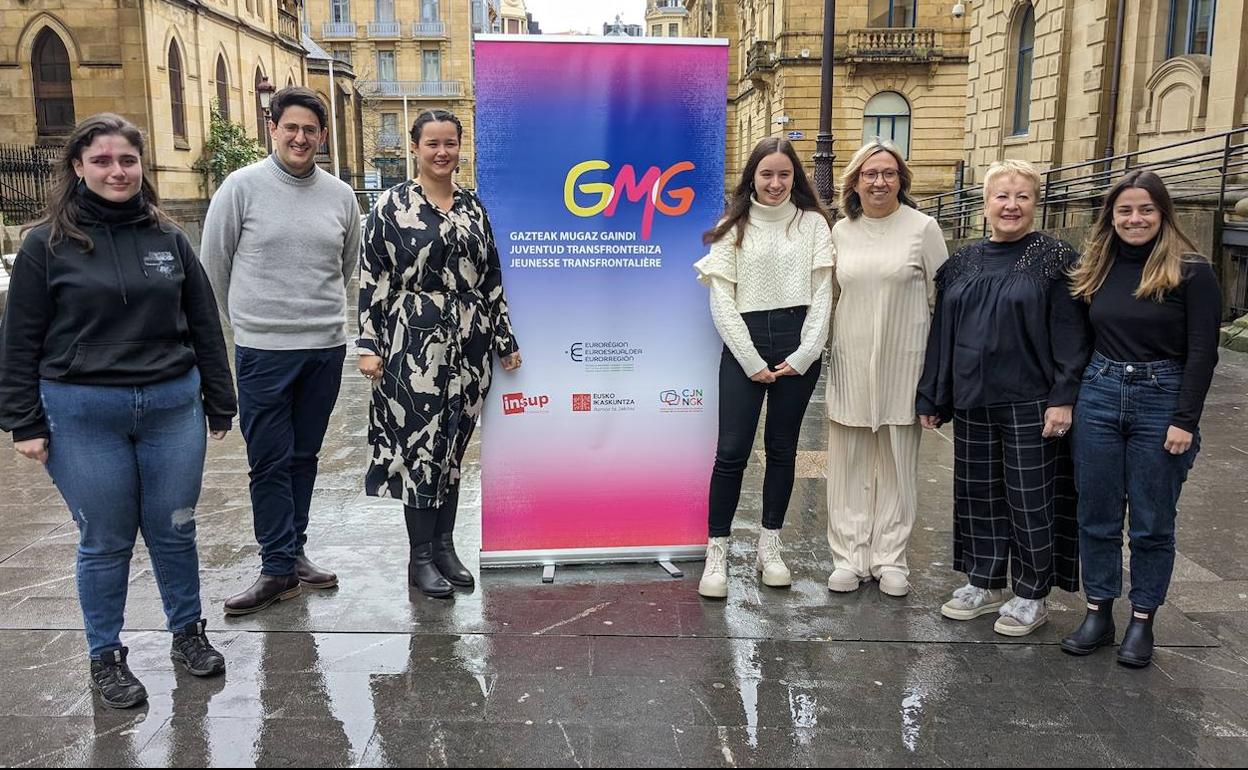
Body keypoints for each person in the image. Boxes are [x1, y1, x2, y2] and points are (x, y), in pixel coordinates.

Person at [0, 113, 236, 708]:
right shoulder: (44, 244)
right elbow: (19, 338)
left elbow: (205, 323)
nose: (116, 171)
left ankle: (188, 632)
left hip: (169, 408)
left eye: (126, 160)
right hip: (82, 413)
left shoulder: (169, 237)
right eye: (102, 160)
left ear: (141, 165)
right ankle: (105, 655)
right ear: (78, 167)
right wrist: (22, 420)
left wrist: (219, 399)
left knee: (175, 528)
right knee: (105, 540)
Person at [200, 87, 362, 615]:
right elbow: (213, 270)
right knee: (267, 461)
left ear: (321, 135)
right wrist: (249, 324)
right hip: (264, 351)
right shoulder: (240, 187)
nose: (300, 137)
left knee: (304, 457)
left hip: (323, 349)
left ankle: (293, 554)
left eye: (310, 130)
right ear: (272, 127)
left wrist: (329, 323)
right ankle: (275, 568)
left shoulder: (341, 196)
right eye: (290, 127)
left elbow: (347, 269)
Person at [916, 159, 1090, 636]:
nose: (1011, 205)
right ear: (985, 203)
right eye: (1002, 196)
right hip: (973, 397)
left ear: (1036, 203)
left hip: (1031, 399)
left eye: (1023, 196)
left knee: (1030, 498)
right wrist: (934, 395)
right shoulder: (962, 263)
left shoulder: (1055, 259)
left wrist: (1064, 397)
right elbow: (943, 333)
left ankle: (1032, 592)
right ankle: (985, 580)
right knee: (978, 494)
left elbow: (1072, 334)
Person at [357, 109, 521, 598]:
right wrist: (368, 344)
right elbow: (371, 280)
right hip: (412, 344)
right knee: (421, 451)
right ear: (415, 148)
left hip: (469, 346)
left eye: (450, 143)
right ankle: (420, 558)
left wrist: (504, 340)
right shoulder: (390, 206)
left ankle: (446, 548)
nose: (442, 152)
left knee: (452, 450)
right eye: (432, 143)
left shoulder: (473, 207)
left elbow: (491, 277)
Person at [1061, 171, 1220, 667]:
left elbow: (1202, 353)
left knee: (1152, 522)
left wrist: (1185, 420)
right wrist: (1069, 398)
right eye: (1125, 210)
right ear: (1110, 216)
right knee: (1097, 514)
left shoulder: (1192, 271)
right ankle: (1098, 610)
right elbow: (1081, 340)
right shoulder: (1097, 267)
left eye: (1146, 210)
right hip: (1101, 395)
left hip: (1162, 398)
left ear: (1163, 214)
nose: (1135, 219)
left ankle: (1143, 619)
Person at [693, 137, 835, 600]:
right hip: (744, 346)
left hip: (797, 345)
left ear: (796, 177)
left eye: (784, 175)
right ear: (752, 176)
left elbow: (822, 295)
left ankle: (770, 546)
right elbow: (722, 300)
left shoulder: (814, 224)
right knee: (731, 451)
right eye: (767, 174)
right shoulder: (733, 225)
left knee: (782, 450)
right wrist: (751, 360)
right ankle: (718, 551)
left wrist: (804, 355)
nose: (775, 184)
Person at [824, 141, 948, 598]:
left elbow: (943, 302)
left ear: (902, 180)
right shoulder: (840, 231)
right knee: (848, 461)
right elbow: (829, 296)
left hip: (905, 362)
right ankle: (849, 557)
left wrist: (938, 376)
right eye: (870, 174)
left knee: (897, 463)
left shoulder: (923, 228)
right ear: (855, 182)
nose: (879, 182)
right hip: (852, 362)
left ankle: (890, 558)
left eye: (889, 174)